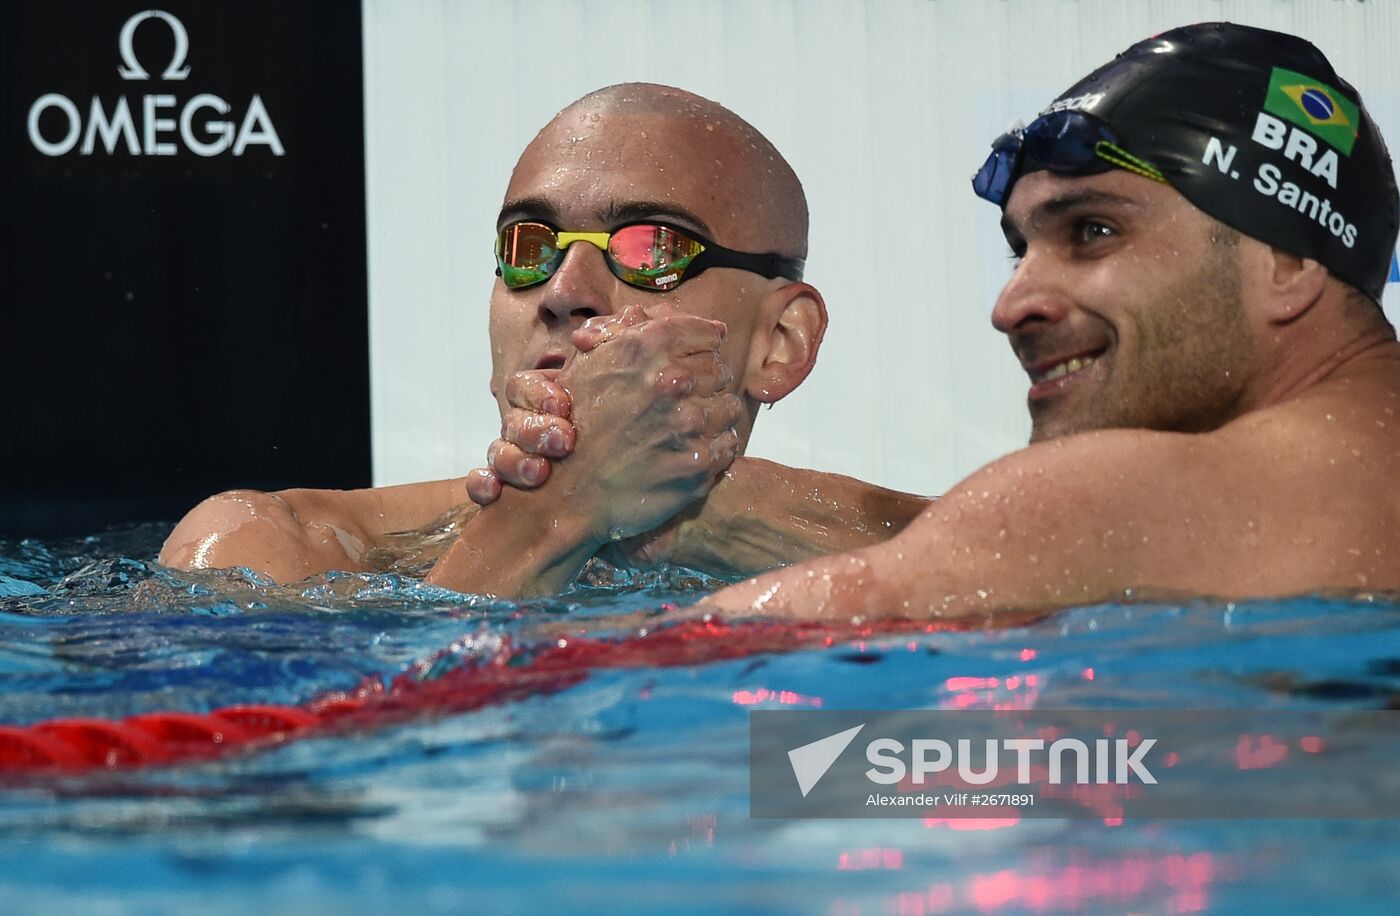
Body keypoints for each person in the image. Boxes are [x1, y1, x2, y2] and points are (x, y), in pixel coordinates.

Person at [682, 23, 1400, 620]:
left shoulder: (1110, 503)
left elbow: (619, 672)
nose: (1010, 305)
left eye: (1092, 232)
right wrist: (730, 507)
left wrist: (575, 509)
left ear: (1285, 262)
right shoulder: (1271, 507)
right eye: (1020, 250)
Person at [158, 84, 927, 596]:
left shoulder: (909, 550)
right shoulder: (268, 550)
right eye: (529, 246)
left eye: (651, 247)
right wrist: (555, 515)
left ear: (781, 342)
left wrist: (712, 514)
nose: (564, 292)